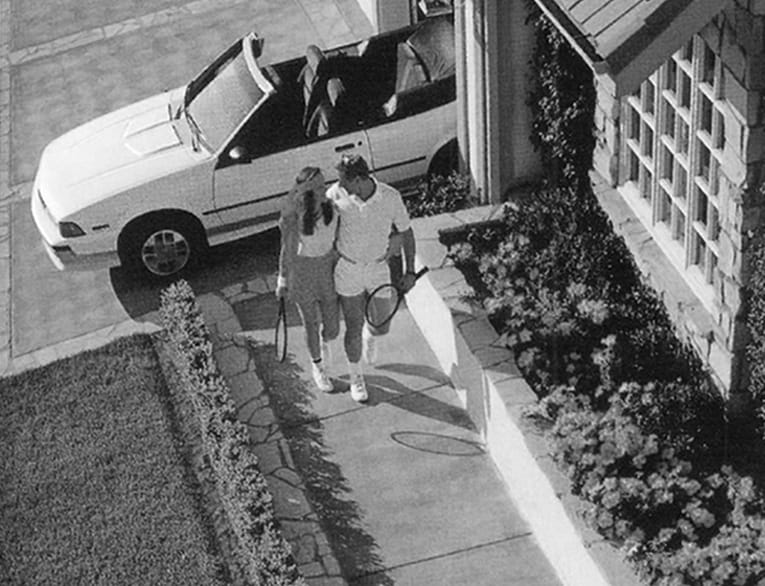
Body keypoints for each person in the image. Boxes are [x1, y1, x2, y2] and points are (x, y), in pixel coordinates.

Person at [327, 154, 417, 402]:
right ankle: (357, 377)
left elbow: (406, 233)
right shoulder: (334, 196)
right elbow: (322, 232)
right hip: (348, 269)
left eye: (343, 180)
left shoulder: (390, 197)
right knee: (352, 326)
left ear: (358, 180)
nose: (338, 184)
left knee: (381, 327)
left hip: (379, 269)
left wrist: (410, 271)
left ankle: (371, 335)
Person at [276, 166, 340, 393]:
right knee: (310, 323)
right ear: (307, 192)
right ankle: (318, 366)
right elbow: (287, 249)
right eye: (320, 187)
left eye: (324, 184)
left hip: (327, 270)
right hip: (301, 273)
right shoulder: (294, 217)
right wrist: (282, 280)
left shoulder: (333, 209)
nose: (326, 189)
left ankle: (324, 345)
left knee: (332, 328)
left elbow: (339, 242)